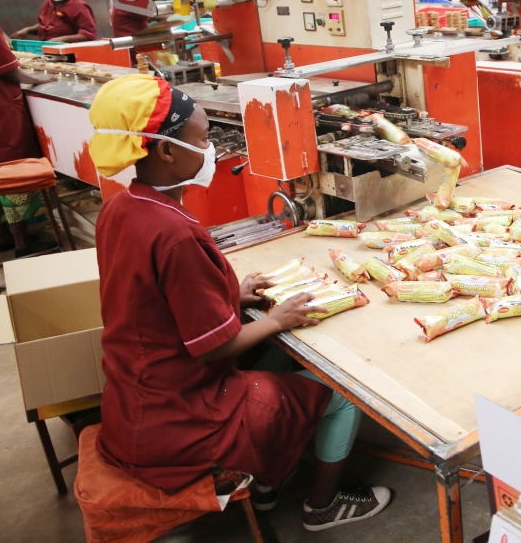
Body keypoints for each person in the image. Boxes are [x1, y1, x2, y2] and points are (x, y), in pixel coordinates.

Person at [87, 75, 391, 531]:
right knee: (345, 392)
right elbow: (213, 348)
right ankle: (323, 505)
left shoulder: (122, 207)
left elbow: (150, 299)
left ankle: (268, 485)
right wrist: (278, 318)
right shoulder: (176, 234)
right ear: (167, 151)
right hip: (179, 421)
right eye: (205, 139)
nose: (211, 150)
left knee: (276, 362)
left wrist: (229, 293)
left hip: (134, 399)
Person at [0, 20, 55, 257]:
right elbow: (8, 68)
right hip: (0, 109)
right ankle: (22, 243)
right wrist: (40, 79)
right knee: (13, 166)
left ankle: (1, 237)